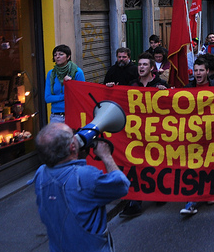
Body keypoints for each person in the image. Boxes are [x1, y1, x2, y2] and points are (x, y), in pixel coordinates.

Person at [32, 122, 129, 252]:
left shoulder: (40, 174)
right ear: (72, 147)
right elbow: (121, 185)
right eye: (73, 136)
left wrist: (77, 157)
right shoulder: (86, 176)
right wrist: (106, 155)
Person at [120, 53, 168, 218]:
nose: (141, 67)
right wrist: (110, 89)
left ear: (152, 68)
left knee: (156, 164)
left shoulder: (160, 84)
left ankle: (159, 192)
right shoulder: (131, 85)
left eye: (145, 65)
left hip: (156, 134)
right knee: (135, 165)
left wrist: (166, 92)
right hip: (136, 134)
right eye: (139, 64)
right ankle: (135, 201)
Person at [180, 56, 214, 216]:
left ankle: (209, 192)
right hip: (194, 134)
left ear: (207, 71)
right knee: (194, 164)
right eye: (196, 70)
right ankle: (191, 200)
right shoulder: (187, 88)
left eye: (201, 70)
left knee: (210, 164)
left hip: (212, 133)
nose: (198, 73)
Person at [45, 44, 85, 124]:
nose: (57, 57)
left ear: (68, 56)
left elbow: (81, 94)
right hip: (56, 116)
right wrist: (65, 96)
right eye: (55, 55)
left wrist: (70, 84)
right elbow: (48, 98)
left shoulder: (77, 72)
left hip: (72, 114)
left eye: (61, 54)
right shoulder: (51, 74)